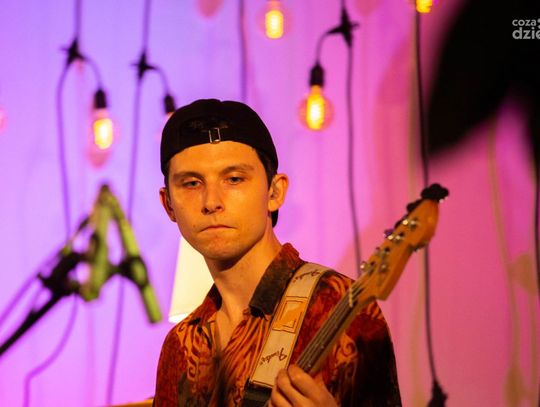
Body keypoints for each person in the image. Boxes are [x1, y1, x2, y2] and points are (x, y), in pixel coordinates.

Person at [154, 99, 401, 406]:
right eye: (192, 183)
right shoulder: (180, 344)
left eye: (234, 179)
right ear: (168, 205)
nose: (211, 201)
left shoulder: (338, 306)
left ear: (275, 192)